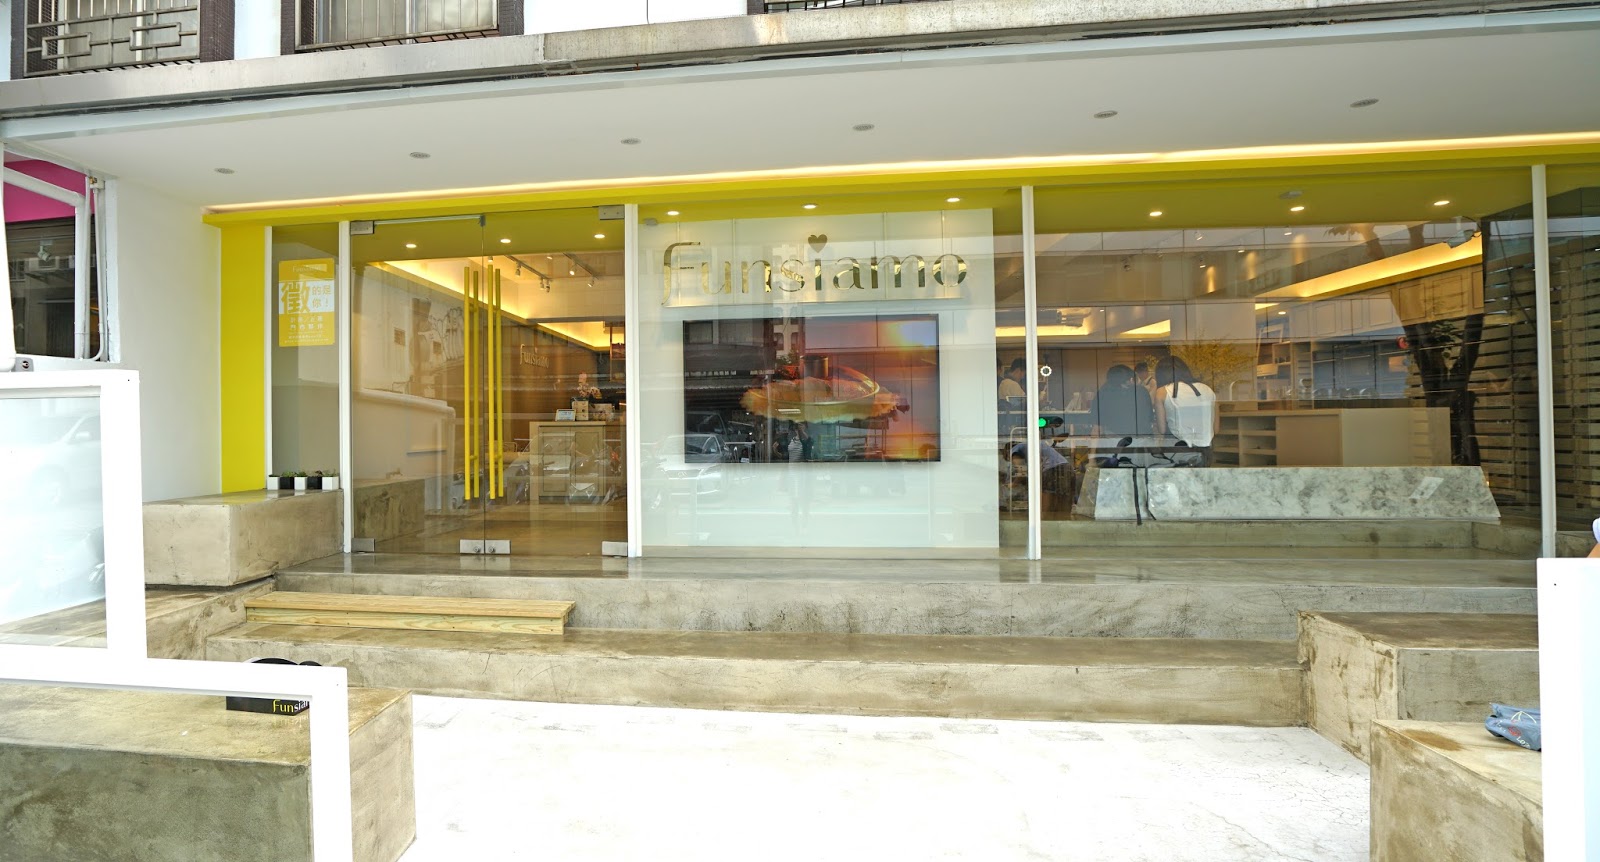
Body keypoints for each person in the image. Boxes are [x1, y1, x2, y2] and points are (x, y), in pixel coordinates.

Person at [1152, 355, 1217, 464]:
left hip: (1176, 449)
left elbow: (1162, 429)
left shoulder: (1162, 392)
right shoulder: (1207, 389)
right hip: (1205, 449)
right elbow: (1216, 428)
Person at [1093, 364, 1156, 438]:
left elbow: (1097, 428)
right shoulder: (1141, 392)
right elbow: (1149, 418)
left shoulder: (1103, 393)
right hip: (1141, 439)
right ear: (1130, 379)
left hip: (1113, 439)